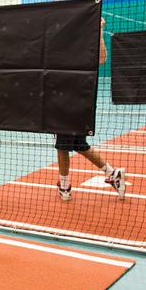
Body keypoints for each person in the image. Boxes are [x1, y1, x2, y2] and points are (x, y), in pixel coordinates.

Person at [56, 17, 126, 201]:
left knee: (62, 146)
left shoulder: (78, 48)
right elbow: (102, 58)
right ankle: (112, 173)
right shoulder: (76, 48)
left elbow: (102, 58)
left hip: (66, 105)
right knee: (80, 145)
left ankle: (64, 187)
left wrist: (99, 30)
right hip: (81, 105)